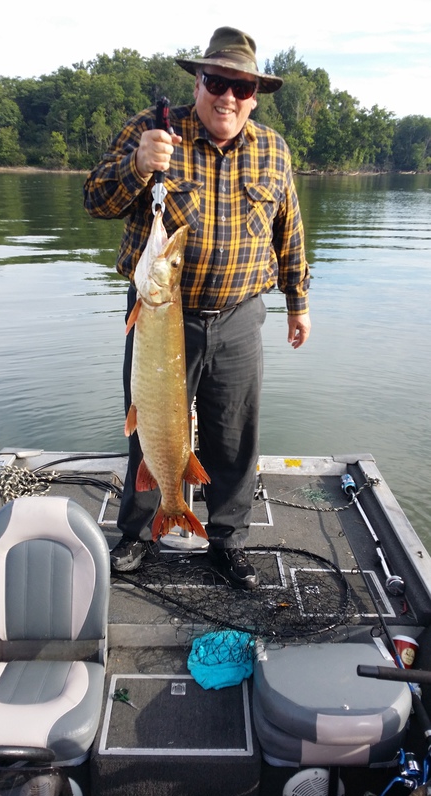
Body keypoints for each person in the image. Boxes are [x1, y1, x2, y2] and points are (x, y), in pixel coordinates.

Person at [83, 26, 311, 590]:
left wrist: (297, 302)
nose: (227, 96)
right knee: (149, 427)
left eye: (241, 87)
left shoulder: (273, 150)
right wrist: (139, 165)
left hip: (240, 317)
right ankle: (138, 533)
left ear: (255, 96)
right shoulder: (153, 129)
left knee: (234, 438)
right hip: (163, 316)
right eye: (216, 82)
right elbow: (96, 201)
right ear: (198, 83)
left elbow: (289, 230)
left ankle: (227, 540)